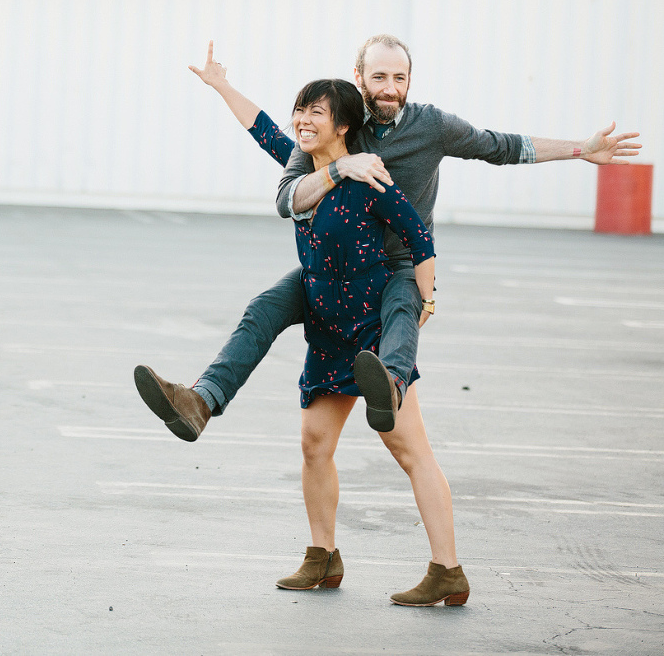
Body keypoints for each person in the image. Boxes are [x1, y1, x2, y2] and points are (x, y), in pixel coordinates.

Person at [135, 35, 641, 444]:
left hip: (399, 265)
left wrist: (581, 149)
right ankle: (200, 401)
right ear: (360, 82)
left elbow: (502, 146)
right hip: (336, 267)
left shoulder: (433, 126)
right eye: (379, 76)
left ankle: (391, 388)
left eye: (399, 77)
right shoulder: (344, 128)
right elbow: (274, 137)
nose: (390, 87)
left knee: (405, 338)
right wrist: (224, 87)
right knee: (264, 308)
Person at [242, 75, 465, 605]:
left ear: (342, 125)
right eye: (299, 111)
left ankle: (448, 570)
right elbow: (261, 130)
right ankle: (322, 558)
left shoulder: (369, 177)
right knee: (314, 444)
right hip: (328, 332)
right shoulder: (305, 170)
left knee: (409, 449)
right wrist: (222, 84)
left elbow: (418, 237)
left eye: (315, 113)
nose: (302, 121)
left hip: (371, 334)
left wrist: (426, 303)